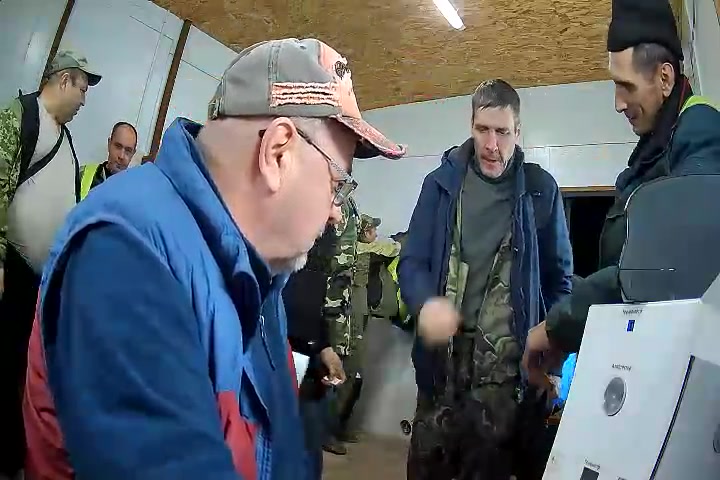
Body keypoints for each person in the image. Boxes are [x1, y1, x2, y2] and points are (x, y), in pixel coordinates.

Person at [22, 38, 404, 480]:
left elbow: (282, 442)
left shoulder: (261, 271)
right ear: (277, 152)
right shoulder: (127, 250)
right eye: (338, 184)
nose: (336, 212)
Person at [522, 0, 720, 384]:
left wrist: (558, 326)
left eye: (626, 86)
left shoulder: (703, 136)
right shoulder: (652, 152)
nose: (617, 103)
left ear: (665, 78)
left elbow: (658, 266)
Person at [398, 78, 573, 479]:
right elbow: (411, 262)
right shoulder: (440, 185)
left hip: (506, 378)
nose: (492, 144)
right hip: (441, 368)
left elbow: (559, 282)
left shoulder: (540, 191)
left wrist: (553, 360)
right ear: (471, 125)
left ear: (518, 132)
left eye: (502, 132)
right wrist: (426, 304)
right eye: (483, 130)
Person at [0, 49, 100, 479]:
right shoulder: (23, 116)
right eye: (82, 88)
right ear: (63, 80)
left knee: (20, 375)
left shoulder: (66, 139)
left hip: (37, 287)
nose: (84, 100)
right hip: (11, 273)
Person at [283, 224, 347, 479]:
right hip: (283, 355)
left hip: (306, 358)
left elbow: (313, 307)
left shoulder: (319, 252)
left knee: (309, 447)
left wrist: (325, 348)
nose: (338, 215)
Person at [322, 196, 360, 455]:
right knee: (328, 366)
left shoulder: (348, 202)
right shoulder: (332, 201)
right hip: (328, 299)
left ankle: (332, 426)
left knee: (343, 363)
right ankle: (323, 431)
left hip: (341, 300)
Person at [79, 121, 138, 199]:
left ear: (133, 153)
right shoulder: (82, 174)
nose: (121, 156)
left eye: (128, 150)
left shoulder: (135, 192)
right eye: (118, 146)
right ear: (109, 144)